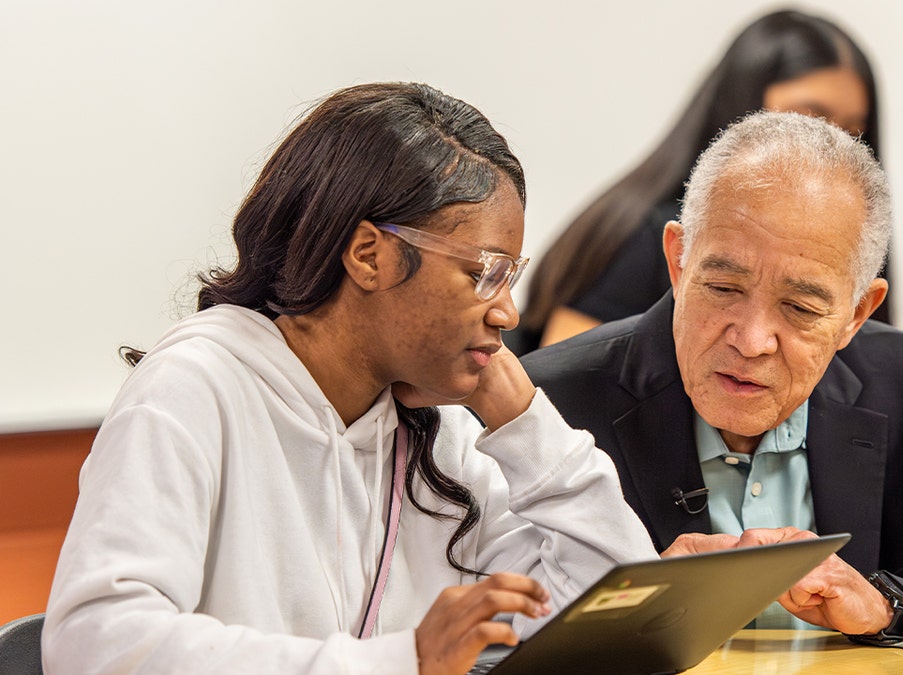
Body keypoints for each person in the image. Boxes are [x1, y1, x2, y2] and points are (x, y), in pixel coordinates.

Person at [42, 82, 659, 675]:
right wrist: (400, 662)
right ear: (369, 255)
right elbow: (94, 646)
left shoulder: (431, 428)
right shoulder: (195, 387)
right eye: (482, 274)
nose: (507, 313)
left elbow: (614, 626)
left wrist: (524, 422)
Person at [521, 111, 903, 674]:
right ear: (679, 262)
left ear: (857, 314)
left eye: (800, 309)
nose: (751, 341)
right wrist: (625, 616)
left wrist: (887, 610)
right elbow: (481, 650)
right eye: (723, 287)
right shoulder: (548, 407)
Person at [511, 7, 889, 354]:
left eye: (852, 132)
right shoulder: (639, 239)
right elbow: (564, 393)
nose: (830, 147)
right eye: (807, 120)